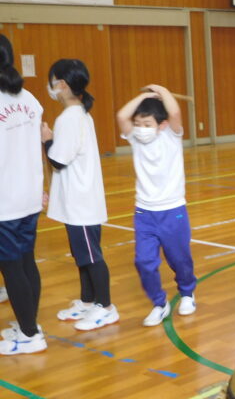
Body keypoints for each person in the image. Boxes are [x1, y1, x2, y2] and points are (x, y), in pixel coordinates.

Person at [43, 59, 118, 331]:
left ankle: (106, 307)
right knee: (81, 254)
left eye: (52, 80)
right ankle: (88, 301)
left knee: (91, 255)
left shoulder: (70, 118)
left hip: (81, 202)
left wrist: (46, 139)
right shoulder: (78, 114)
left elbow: (58, 160)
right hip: (75, 200)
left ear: (61, 84)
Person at [116, 85, 196, 327]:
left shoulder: (171, 136)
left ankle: (187, 293)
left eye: (147, 124)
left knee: (179, 258)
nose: (141, 129)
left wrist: (161, 91)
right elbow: (121, 116)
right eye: (138, 123)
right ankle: (159, 304)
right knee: (144, 261)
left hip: (173, 211)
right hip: (144, 212)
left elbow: (174, 112)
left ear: (161, 125)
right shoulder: (135, 139)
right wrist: (143, 97)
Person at [0, 34, 46, 355]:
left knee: (12, 266)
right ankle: (30, 323)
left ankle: (30, 334)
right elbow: (38, 147)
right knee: (26, 260)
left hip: (5, 200)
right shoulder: (29, 99)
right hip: (28, 194)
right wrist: (42, 187)